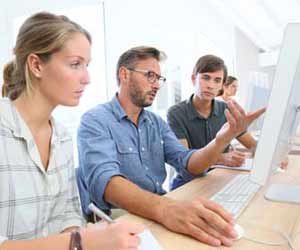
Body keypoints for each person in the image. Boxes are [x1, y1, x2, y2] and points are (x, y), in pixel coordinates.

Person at [76, 46, 265, 247]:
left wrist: (221, 140)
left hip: (159, 206)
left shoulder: (155, 122)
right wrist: (166, 209)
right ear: (124, 74)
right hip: (120, 216)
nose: (157, 85)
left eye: (159, 78)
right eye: (150, 76)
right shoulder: (96, 120)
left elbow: (188, 163)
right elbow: (107, 183)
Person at [0, 12, 143, 250]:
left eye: (86, 66)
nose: (86, 78)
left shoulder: (62, 137)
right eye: (75, 64)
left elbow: (68, 213)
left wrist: (81, 238)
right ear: (36, 65)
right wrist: (80, 242)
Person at [167, 55, 257, 189]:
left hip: (218, 177)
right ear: (194, 79)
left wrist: (275, 155)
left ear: (221, 86)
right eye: (205, 78)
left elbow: (252, 145)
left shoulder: (226, 109)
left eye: (217, 80)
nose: (210, 85)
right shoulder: (176, 113)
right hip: (188, 182)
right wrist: (221, 158)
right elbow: (185, 159)